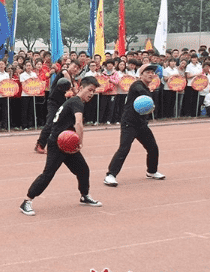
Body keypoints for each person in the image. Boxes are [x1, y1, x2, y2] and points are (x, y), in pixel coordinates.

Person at [20, 76, 103, 216]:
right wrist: (80, 142)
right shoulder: (77, 102)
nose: (91, 94)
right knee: (48, 174)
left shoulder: (72, 101)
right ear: (81, 88)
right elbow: (78, 123)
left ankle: (85, 196)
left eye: (94, 91)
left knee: (83, 169)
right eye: (89, 90)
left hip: (67, 142)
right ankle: (26, 201)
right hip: (58, 143)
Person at [104, 64, 166, 187]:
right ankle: (110, 175)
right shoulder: (137, 85)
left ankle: (152, 171)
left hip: (141, 124)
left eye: (152, 72)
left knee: (153, 148)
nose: (150, 74)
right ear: (140, 74)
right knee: (124, 149)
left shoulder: (147, 87)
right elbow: (141, 92)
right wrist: (148, 99)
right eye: (147, 72)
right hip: (129, 123)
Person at [35, 60, 81, 153]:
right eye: (74, 66)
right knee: (50, 123)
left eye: (77, 68)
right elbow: (67, 78)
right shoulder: (64, 71)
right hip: (53, 102)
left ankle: (70, 143)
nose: (75, 69)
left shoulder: (72, 78)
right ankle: (40, 144)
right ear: (69, 65)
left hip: (63, 103)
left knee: (69, 123)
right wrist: (73, 87)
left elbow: (75, 91)